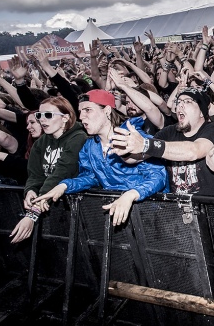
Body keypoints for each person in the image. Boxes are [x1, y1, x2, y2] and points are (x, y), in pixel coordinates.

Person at [34, 90, 168, 226]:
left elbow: (158, 177)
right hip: (116, 215)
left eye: (88, 110)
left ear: (107, 110)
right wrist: (64, 185)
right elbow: (91, 177)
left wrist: (131, 194)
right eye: (80, 111)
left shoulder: (133, 138)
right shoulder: (89, 146)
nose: (82, 117)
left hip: (151, 216)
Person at [109, 87, 214, 197]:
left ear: (202, 112)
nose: (180, 105)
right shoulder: (169, 132)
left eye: (188, 102)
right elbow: (135, 158)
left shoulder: (213, 129)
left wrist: (145, 144)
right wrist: (126, 150)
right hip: (182, 214)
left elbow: (194, 151)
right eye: (178, 102)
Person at [9, 96, 87, 243]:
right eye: (39, 115)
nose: (42, 120)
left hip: (78, 207)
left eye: (48, 115)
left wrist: (33, 214)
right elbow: (34, 175)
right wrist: (31, 190)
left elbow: (62, 173)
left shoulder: (78, 138)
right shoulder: (40, 143)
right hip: (50, 205)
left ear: (65, 117)